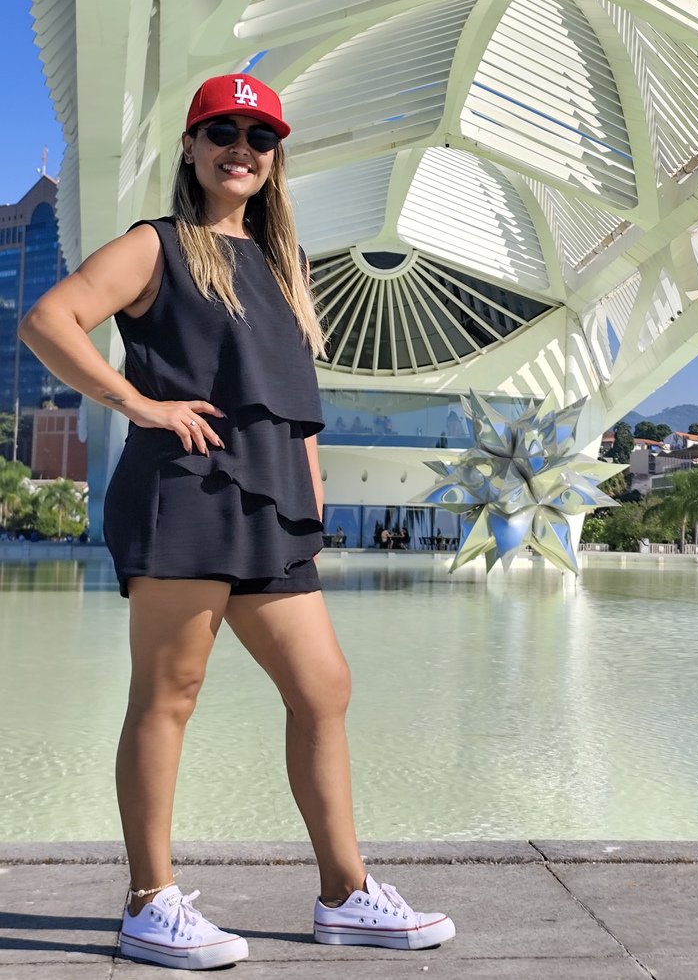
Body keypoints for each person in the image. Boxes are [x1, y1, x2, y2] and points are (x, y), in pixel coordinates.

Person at [19, 73, 454, 970]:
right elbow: (49, 320)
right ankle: (150, 902)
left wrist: (310, 496)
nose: (241, 148)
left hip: (272, 503)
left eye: (260, 136)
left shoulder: (286, 263)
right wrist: (140, 403)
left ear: (275, 156)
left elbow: (292, 401)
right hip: (186, 490)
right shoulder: (156, 244)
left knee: (322, 687)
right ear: (191, 146)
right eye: (222, 131)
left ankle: (344, 894)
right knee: (169, 693)